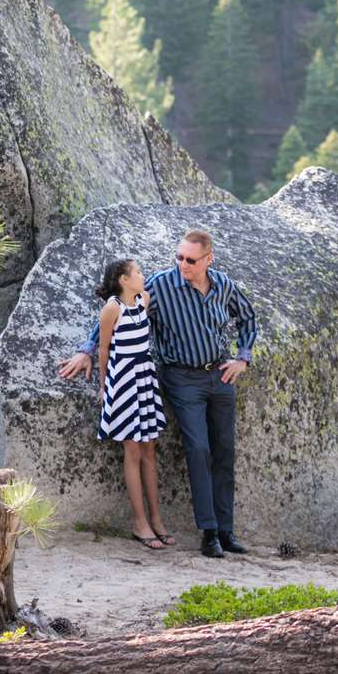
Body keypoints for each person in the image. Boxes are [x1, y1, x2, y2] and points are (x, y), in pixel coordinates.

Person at [60, 229, 256, 558]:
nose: (183, 264)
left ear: (208, 259)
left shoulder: (223, 284)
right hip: (181, 378)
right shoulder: (161, 285)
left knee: (224, 451)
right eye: (179, 257)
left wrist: (243, 358)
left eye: (191, 260)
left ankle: (226, 530)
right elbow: (117, 311)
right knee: (197, 448)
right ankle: (208, 533)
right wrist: (87, 349)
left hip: (221, 376)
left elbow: (248, 319)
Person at [95, 257, 173, 552]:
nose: (142, 275)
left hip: (145, 377)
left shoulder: (144, 299)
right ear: (123, 280)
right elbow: (104, 349)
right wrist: (104, 387)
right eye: (137, 272)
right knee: (132, 449)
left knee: (150, 448)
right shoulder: (112, 308)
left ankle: (156, 519)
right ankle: (140, 523)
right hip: (124, 380)